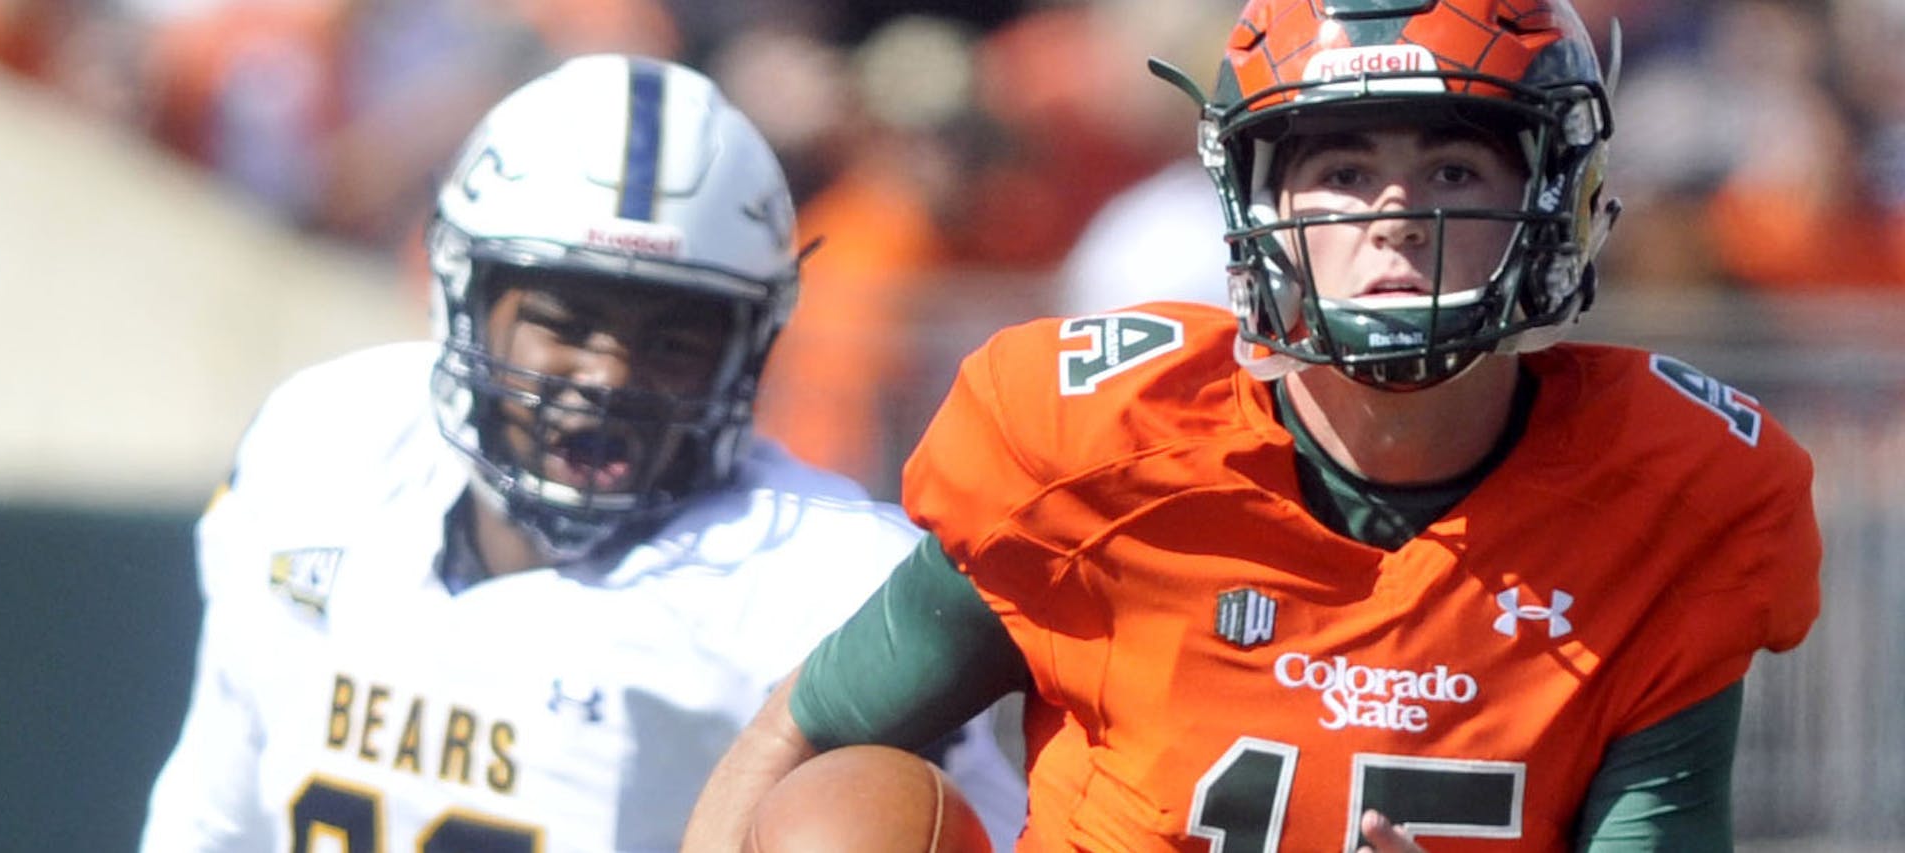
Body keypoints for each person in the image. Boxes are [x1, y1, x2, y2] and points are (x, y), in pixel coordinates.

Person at [684, 1, 1823, 850]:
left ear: (1555, 201)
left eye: (1454, 164)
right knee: (841, 822)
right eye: (1340, 168)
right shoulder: (1100, 454)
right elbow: (804, 732)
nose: (1396, 218)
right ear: (1257, 210)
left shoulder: (1670, 498)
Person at [139, 53, 1026, 852]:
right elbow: (214, 808)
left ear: (746, 348)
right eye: (563, 324)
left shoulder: (816, 579)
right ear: (464, 301)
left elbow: (982, 826)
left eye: (672, 342)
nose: (607, 376)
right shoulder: (329, 441)